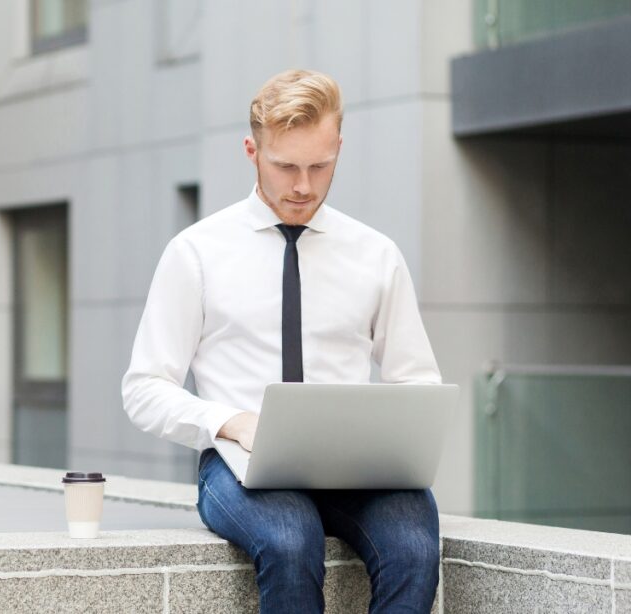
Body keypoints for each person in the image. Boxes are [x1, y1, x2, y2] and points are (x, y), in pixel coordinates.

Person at [121, 69, 442, 613]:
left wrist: (399, 429)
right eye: (285, 165)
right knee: (292, 542)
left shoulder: (376, 255)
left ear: (339, 145)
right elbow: (144, 388)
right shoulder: (196, 253)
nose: (303, 185)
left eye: (320, 165)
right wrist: (230, 422)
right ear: (252, 150)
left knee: (414, 549)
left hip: (359, 466)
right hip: (241, 464)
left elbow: (418, 380)